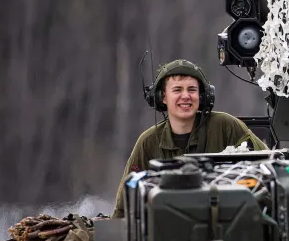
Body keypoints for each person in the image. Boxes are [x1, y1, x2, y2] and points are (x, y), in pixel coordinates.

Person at [111, 59, 268, 218]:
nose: (185, 96)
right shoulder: (149, 142)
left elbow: (268, 166)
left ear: (202, 96)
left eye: (192, 90)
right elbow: (125, 203)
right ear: (162, 97)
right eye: (177, 90)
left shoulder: (226, 127)